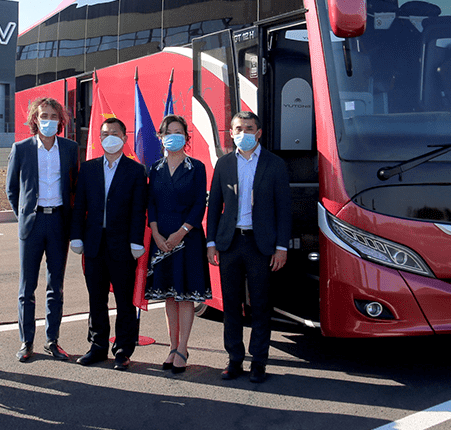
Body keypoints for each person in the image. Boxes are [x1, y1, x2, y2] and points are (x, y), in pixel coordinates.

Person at [206, 111, 291, 384]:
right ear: (231, 133)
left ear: (259, 132)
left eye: (249, 128)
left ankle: (259, 362)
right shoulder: (224, 164)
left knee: (260, 306)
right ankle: (234, 359)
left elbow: (284, 210)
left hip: (260, 244)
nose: (244, 133)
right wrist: (211, 243)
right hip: (230, 243)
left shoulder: (275, 165)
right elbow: (214, 205)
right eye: (238, 128)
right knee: (231, 305)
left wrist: (281, 247)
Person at [70, 117, 148, 370]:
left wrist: (136, 241)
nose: (109, 137)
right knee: (96, 298)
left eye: (115, 132)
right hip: (94, 244)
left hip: (123, 245)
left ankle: (123, 349)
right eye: (105, 133)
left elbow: (139, 209)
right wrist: (77, 235)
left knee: (124, 300)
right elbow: (79, 205)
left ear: (125, 138)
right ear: (100, 138)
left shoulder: (136, 171)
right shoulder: (89, 169)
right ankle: (97, 346)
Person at [6, 97, 78, 362]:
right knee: (27, 287)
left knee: (55, 286)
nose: (48, 120)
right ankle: (27, 342)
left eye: (53, 116)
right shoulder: (22, 148)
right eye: (43, 115)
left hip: (59, 222)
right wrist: (24, 215)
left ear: (61, 121)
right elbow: (12, 189)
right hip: (33, 224)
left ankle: (52, 340)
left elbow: (74, 186)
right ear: (34, 119)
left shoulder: (70, 148)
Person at [144, 114, 210, 374]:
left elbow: (198, 204)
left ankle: (183, 347)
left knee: (185, 297)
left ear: (186, 136)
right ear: (161, 137)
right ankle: (172, 347)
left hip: (188, 238)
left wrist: (181, 233)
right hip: (161, 240)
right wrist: (157, 234)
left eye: (178, 131)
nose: (173, 135)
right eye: (168, 131)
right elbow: (152, 204)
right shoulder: (155, 168)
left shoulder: (197, 167)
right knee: (169, 296)